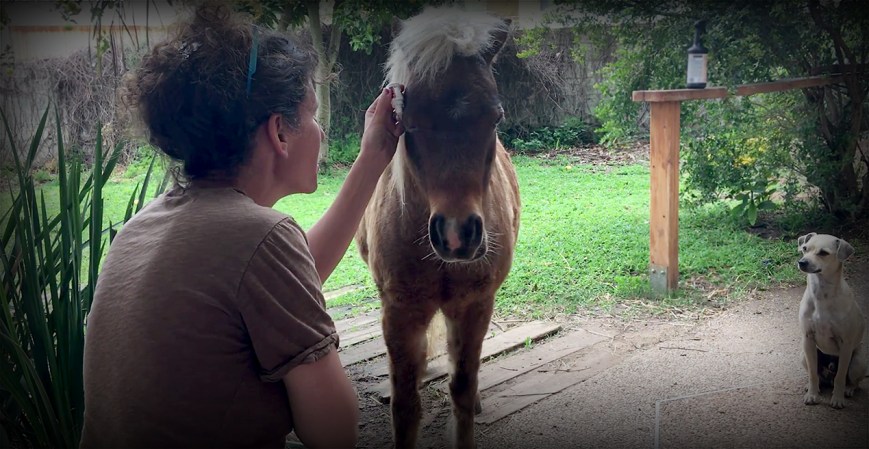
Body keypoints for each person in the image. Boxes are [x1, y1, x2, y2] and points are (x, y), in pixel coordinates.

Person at [79, 3, 402, 448]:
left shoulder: (146, 226)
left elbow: (289, 278)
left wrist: (373, 158)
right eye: (311, 113)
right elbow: (334, 431)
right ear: (279, 133)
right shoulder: (260, 237)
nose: (321, 131)